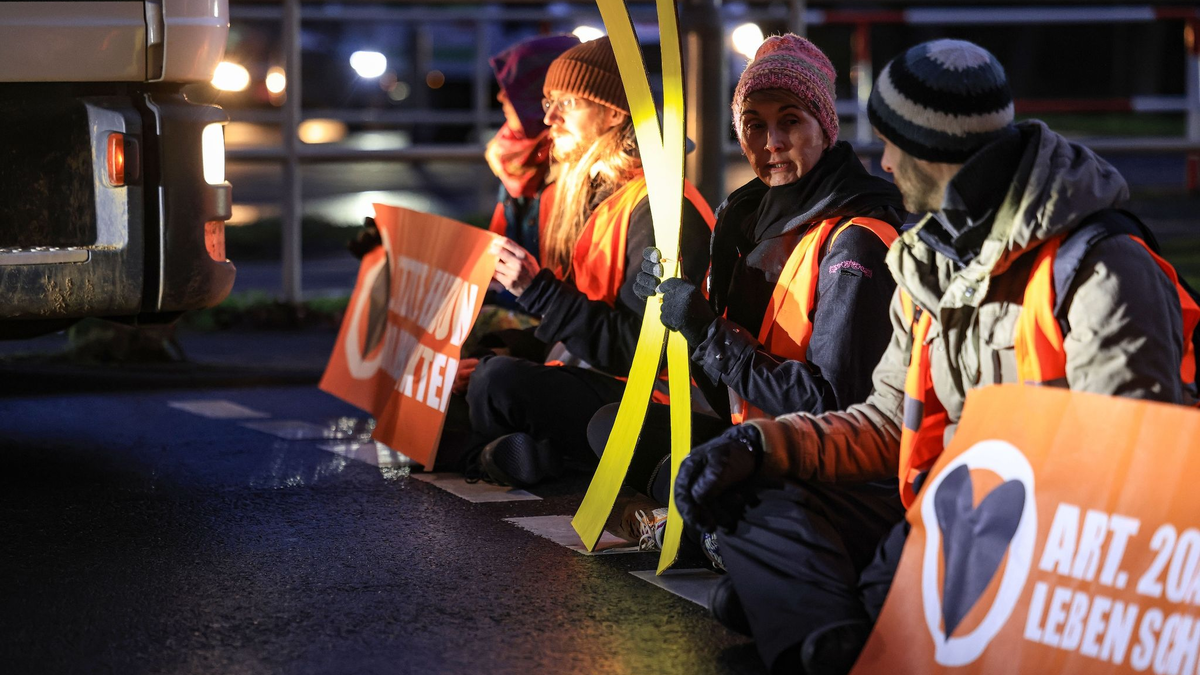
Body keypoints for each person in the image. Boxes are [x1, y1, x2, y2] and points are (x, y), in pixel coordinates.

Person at [674, 39, 1198, 675]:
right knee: (752, 491)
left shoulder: (1101, 267)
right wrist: (763, 447)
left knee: (776, 594)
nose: (885, 164)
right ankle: (838, 630)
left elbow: (1124, 483)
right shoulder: (927, 259)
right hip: (938, 514)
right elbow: (886, 421)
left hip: (1036, 538)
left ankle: (827, 625)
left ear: (937, 155)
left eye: (895, 145)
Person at [586, 35, 906, 556]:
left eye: (791, 121)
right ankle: (701, 525)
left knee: (693, 475)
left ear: (826, 128)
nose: (771, 142)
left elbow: (833, 408)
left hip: (824, 466)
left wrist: (710, 333)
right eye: (755, 125)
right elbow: (729, 394)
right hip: (761, 440)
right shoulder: (750, 221)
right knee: (614, 429)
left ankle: (703, 530)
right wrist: (679, 317)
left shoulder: (856, 240)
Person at [452, 36, 715, 486]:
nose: (549, 118)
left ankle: (494, 455)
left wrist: (537, 291)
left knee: (497, 384)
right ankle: (520, 454)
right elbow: (584, 322)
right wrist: (509, 347)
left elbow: (640, 350)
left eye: (566, 103)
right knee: (468, 373)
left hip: (654, 400)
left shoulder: (657, 206)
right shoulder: (600, 195)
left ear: (614, 112)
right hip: (597, 376)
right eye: (547, 102)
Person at [483, 34, 579, 267]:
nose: (501, 97)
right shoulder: (514, 155)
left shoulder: (572, 168)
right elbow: (495, 251)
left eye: (514, 89)